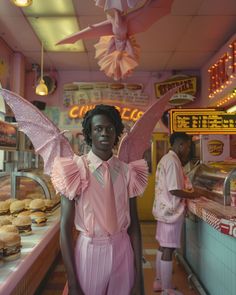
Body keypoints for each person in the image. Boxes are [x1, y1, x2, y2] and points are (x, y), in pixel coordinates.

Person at [51, 104, 148, 295]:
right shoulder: (75, 170)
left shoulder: (127, 171)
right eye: (98, 128)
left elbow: (134, 225)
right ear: (89, 133)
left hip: (123, 249)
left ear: (117, 132)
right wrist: (72, 282)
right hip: (90, 251)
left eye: (110, 128)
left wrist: (139, 277)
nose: (104, 133)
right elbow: (65, 227)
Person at [152, 132, 199, 295]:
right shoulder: (172, 162)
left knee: (163, 246)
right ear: (180, 145)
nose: (188, 149)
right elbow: (174, 189)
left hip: (163, 210)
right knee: (168, 249)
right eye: (187, 145)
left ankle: (159, 282)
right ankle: (167, 289)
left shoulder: (167, 159)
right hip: (170, 212)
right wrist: (193, 194)